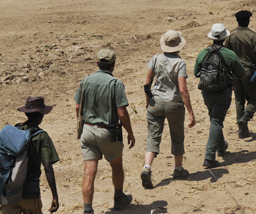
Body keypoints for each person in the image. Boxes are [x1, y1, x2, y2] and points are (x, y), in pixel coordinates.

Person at [75, 49, 135, 214]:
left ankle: (88, 210)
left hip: (88, 130)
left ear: (97, 63)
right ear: (113, 65)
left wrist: (81, 126)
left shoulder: (85, 80)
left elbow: (77, 106)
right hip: (108, 131)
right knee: (116, 166)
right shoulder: (115, 84)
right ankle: (118, 199)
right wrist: (130, 132)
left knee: (89, 171)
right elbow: (122, 113)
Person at [140, 30, 196, 189]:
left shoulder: (155, 59)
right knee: (177, 136)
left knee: (153, 136)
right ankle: (178, 169)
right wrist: (191, 111)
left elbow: (147, 84)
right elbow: (183, 89)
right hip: (174, 104)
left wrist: (147, 101)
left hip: (155, 102)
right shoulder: (180, 63)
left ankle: (147, 167)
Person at [194, 24, 245, 168]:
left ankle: (221, 147)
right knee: (216, 120)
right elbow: (241, 74)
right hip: (223, 91)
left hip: (206, 92)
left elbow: (196, 72)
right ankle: (209, 157)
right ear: (224, 38)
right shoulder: (229, 54)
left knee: (214, 118)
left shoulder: (202, 53)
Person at [0, 97, 59, 214]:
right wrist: (55, 196)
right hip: (30, 193)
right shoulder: (42, 137)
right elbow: (47, 167)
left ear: (26, 113)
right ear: (41, 115)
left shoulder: (14, 131)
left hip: (8, 191)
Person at [224, 10, 256, 139]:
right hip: (250, 72)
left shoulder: (230, 36)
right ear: (248, 21)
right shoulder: (253, 36)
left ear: (237, 21)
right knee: (253, 99)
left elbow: (227, 56)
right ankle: (246, 116)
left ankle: (241, 128)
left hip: (235, 72)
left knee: (239, 99)